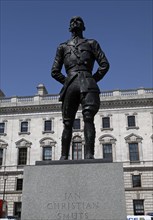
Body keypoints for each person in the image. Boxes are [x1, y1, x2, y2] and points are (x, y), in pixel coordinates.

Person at [51, 16, 109, 160]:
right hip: (70, 84)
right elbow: (54, 71)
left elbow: (104, 64)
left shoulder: (91, 43)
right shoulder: (62, 47)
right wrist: (67, 81)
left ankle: (89, 154)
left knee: (88, 117)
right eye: (72, 22)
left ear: (84, 27)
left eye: (79, 21)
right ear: (69, 27)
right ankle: (64, 155)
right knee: (67, 122)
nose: (75, 23)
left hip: (88, 82)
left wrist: (93, 79)